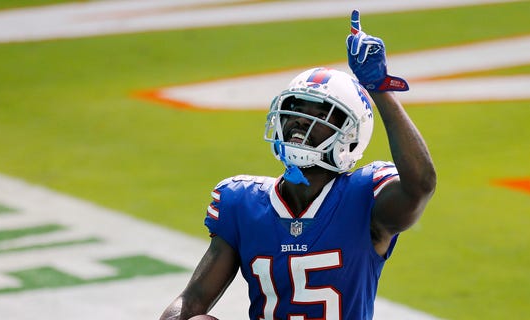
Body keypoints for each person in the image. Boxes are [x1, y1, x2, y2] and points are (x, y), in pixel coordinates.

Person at [160, 10, 436, 320]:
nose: (298, 120)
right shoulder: (242, 202)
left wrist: (379, 89)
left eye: (318, 113)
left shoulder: (364, 200)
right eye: (294, 108)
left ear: (351, 134)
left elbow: (420, 185)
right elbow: (193, 298)